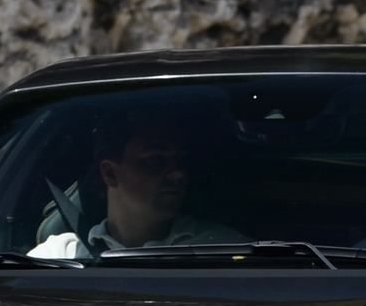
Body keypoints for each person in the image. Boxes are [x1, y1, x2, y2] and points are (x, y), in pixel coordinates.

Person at [30, 110, 241, 258]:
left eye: (181, 158)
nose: (178, 172)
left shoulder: (226, 250)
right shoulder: (58, 256)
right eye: (156, 159)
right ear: (110, 173)